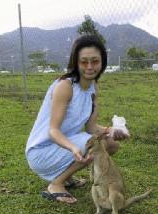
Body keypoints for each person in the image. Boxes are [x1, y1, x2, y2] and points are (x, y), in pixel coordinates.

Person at [25, 35, 129, 204]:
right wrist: (73, 147)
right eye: (84, 62)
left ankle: (65, 177)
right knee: (94, 145)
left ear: (102, 62)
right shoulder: (65, 86)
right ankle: (56, 184)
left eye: (95, 61)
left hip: (61, 147)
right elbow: (53, 130)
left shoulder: (93, 87)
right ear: (76, 62)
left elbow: (91, 127)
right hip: (41, 151)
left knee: (111, 143)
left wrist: (113, 131)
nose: (89, 67)